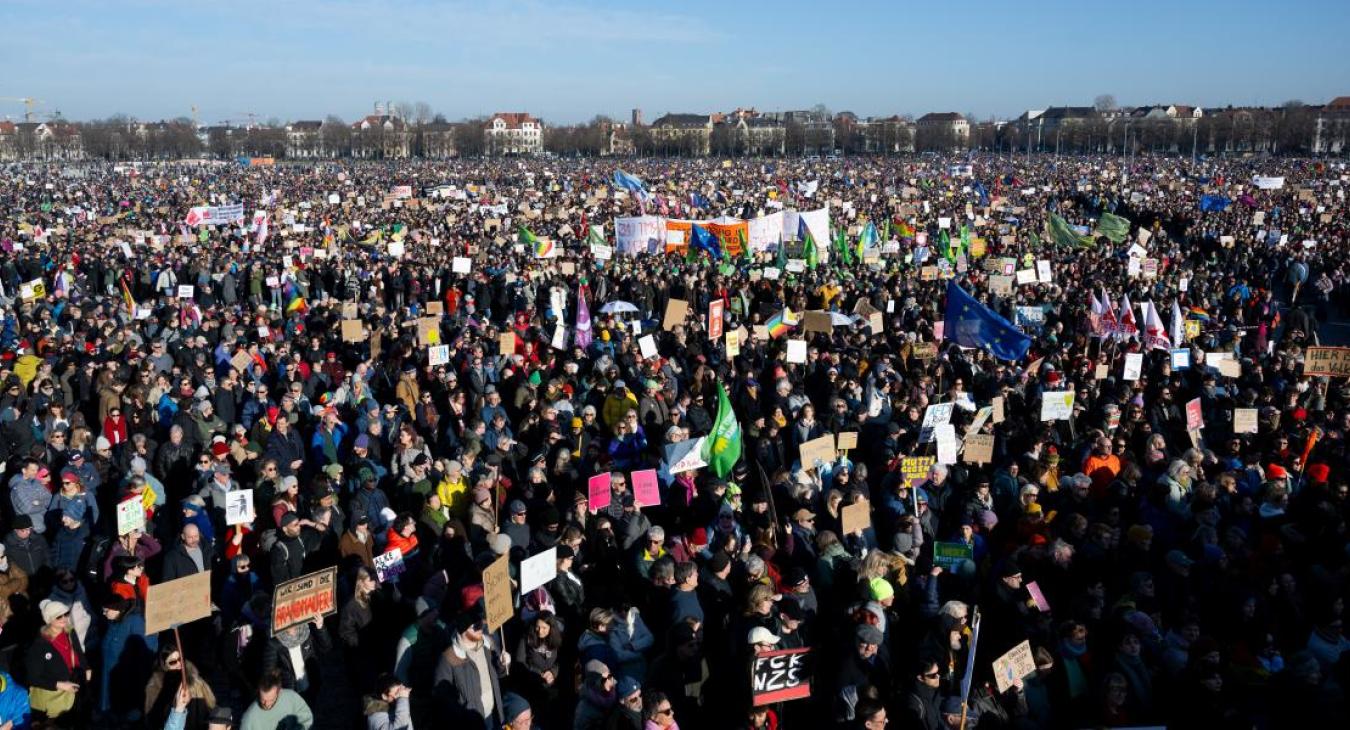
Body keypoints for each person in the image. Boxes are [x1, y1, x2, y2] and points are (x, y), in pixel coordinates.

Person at [434, 611, 509, 729]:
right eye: (476, 626)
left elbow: (500, 674)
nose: (481, 629)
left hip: (494, 715)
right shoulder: (449, 657)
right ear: (463, 630)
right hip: (470, 722)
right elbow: (443, 698)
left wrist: (503, 664)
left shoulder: (488, 644)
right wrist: (462, 715)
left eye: (481, 625)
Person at [24, 599, 90, 725]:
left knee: (80, 719)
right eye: (59, 616)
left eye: (66, 614)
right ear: (49, 620)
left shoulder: (70, 632)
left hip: (77, 685)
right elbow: (32, 678)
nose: (64, 618)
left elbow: (78, 652)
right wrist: (59, 684)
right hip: (56, 695)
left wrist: (86, 667)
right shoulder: (39, 644)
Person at [240, 669, 313, 730]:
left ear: (279, 692)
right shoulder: (249, 718)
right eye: (263, 699)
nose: (266, 704)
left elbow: (307, 717)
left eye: (270, 700)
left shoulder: (291, 697)